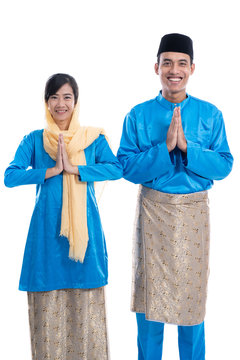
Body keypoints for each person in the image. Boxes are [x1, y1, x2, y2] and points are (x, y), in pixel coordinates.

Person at [117, 33, 233, 359]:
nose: (174, 69)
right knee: (150, 309)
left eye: (182, 63)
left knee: (191, 309)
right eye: (167, 62)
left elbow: (224, 165)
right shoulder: (138, 115)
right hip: (153, 212)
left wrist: (187, 148)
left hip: (194, 217)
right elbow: (125, 166)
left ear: (192, 68)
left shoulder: (210, 115)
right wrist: (164, 149)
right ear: (156, 67)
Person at [4, 73, 122, 360]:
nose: (60, 103)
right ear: (46, 102)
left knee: (86, 319)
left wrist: (76, 169)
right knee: (48, 326)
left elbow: (116, 169)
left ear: (76, 101)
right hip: (46, 238)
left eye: (67, 97)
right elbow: (10, 176)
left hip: (85, 238)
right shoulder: (34, 140)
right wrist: (51, 171)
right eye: (54, 97)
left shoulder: (93, 139)